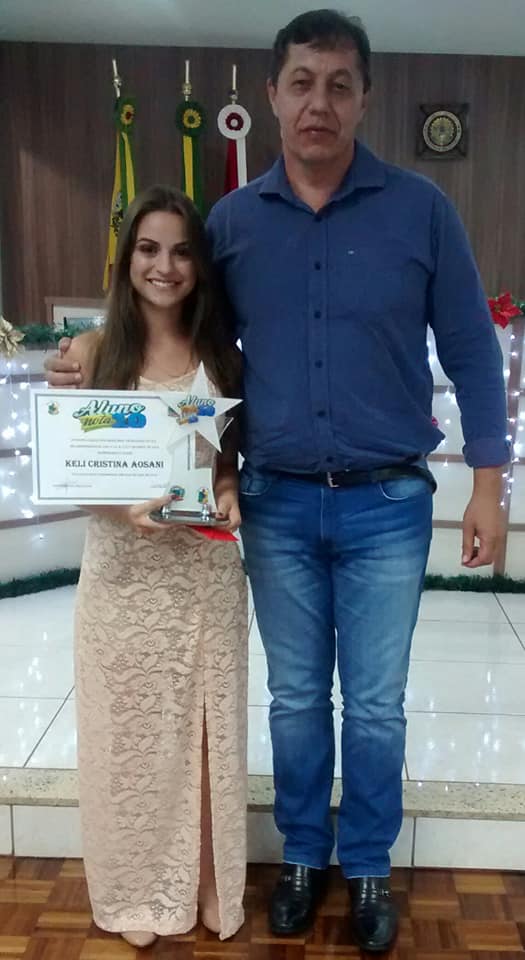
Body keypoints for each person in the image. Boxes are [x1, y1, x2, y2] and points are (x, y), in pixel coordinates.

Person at [46, 10, 509, 953]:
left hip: (387, 501)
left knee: (373, 703)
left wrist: (489, 486)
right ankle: (301, 854)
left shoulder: (420, 210)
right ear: (271, 95)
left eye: (338, 84)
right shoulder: (231, 224)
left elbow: (469, 345)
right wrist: (95, 340)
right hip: (277, 503)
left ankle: (366, 865)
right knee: (295, 699)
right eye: (301, 83)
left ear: (364, 97)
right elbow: (176, 316)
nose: (317, 103)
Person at [59, 185, 248, 948]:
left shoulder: (221, 355)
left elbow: (225, 463)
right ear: (126, 257)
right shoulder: (90, 353)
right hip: (123, 577)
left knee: (203, 735)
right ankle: (138, 890)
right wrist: (121, 510)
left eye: (180, 251)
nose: (163, 266)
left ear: (199, 264)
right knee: (129, 738)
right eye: (147, 248)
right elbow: (70, 473)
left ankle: (206, 886)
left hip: (202, 578)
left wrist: (228, 491)